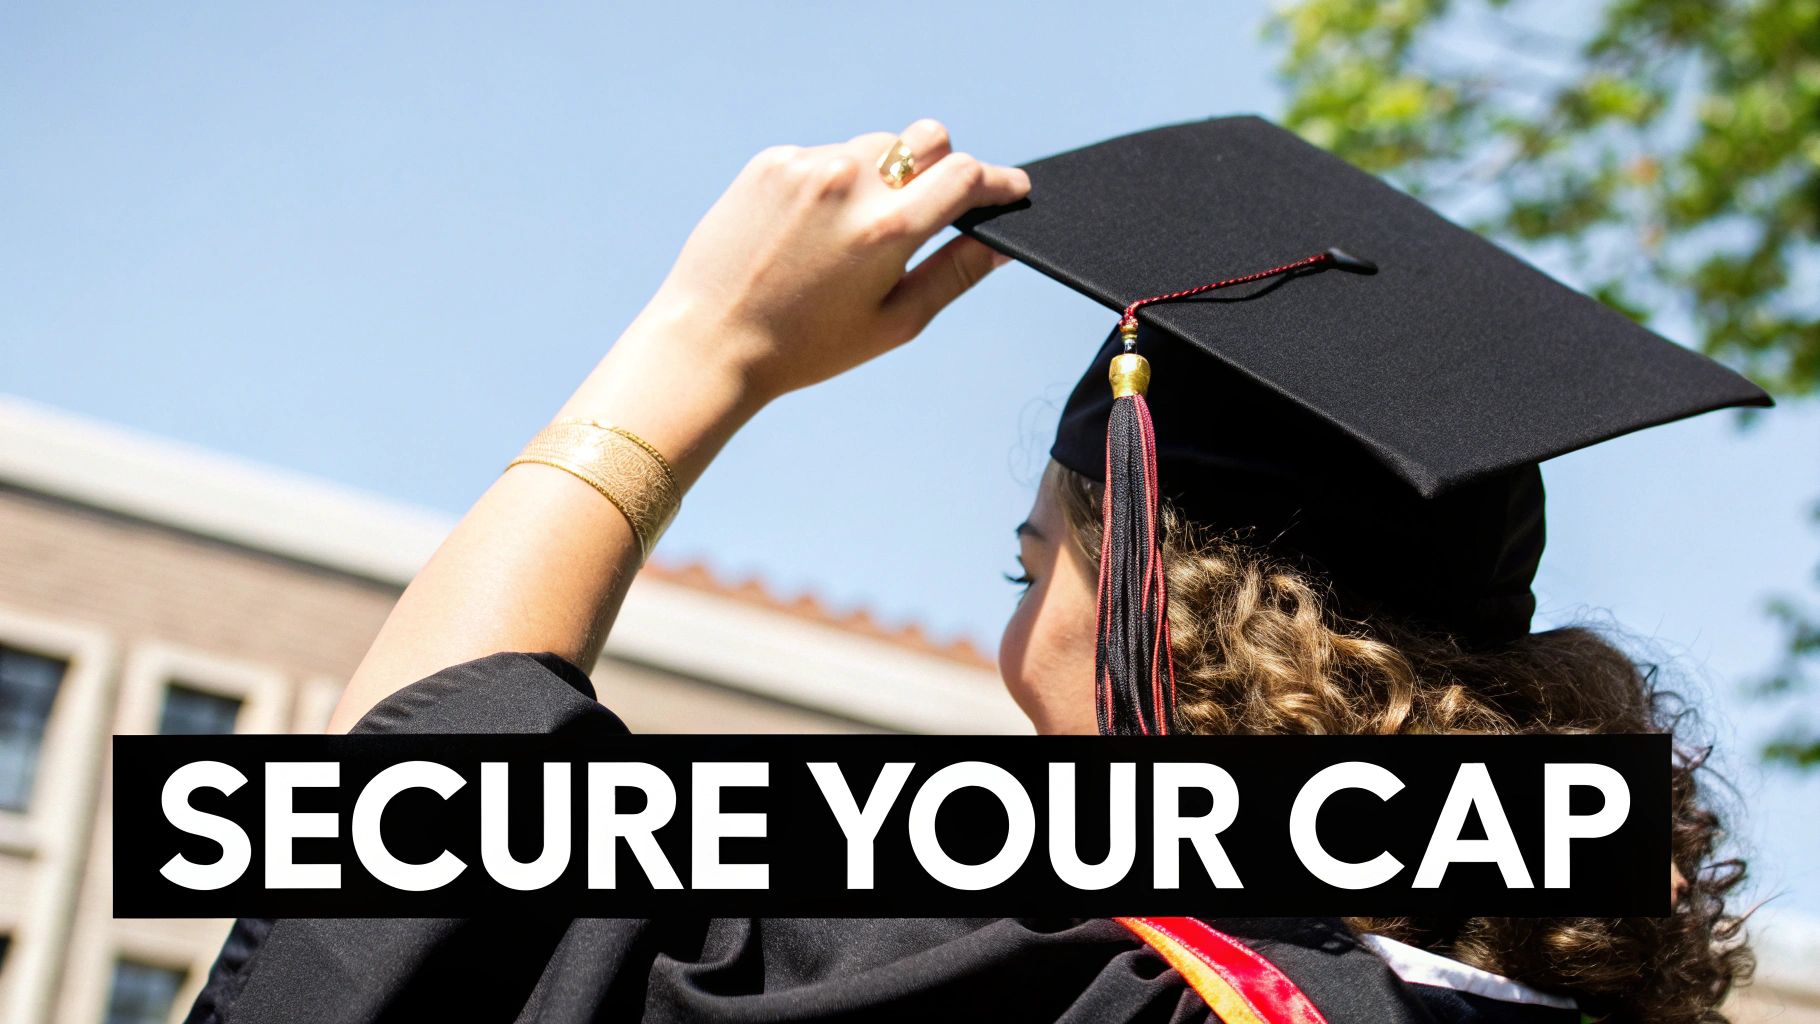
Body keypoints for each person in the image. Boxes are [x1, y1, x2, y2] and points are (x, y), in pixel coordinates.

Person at [187, 117, 1758, 1024]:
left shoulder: (1095, 1005)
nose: (1003, 650)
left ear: (1169, 625)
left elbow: (411, 857)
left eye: (1031, 572)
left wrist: (696, 352)